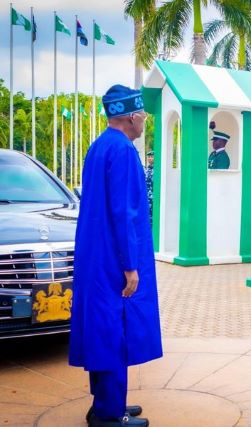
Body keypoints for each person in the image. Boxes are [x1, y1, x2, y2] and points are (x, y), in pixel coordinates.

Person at [69, 85, 162, 427]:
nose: (145, 123)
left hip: (96, 256)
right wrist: (130, 266)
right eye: (143, 117)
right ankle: (110, 414)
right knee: (114, 331)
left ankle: (106, 402)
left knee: (101, 330)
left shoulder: (99, 146)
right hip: (113, 259)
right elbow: (124, 213)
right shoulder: (122, 151)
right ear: (132, 117)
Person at [145, 151, 154, 224]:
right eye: (149, 157)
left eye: (152, 157)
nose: (150, 158)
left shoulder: (157, 170)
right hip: (146, 197)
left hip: (153, 198)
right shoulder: (146, 170)